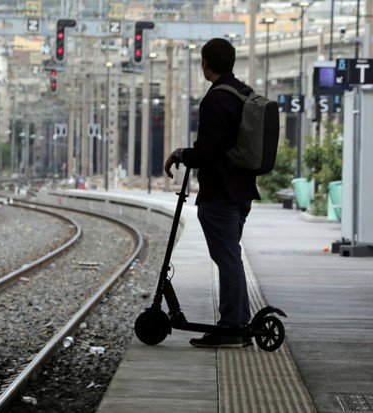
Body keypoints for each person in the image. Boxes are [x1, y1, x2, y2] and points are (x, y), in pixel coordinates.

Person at [163, 38, 260, 349]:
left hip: (220, 192)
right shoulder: (243, 93)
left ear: (205, 63)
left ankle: (232, 326)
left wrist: (180, 153)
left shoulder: (216, 99)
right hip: (242, 190)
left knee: (227, 257)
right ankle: (237, 321)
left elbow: (207, 152)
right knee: (230, 256)